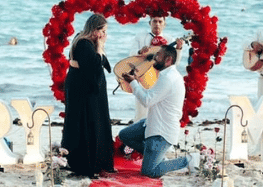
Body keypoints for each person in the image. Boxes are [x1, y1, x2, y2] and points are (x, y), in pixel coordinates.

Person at [118, 45, 198, 178]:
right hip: (151, 123)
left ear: (168, 60)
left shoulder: (168, 78)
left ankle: (188, 160)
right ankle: (157, 157)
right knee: (125, 135)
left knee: (149, 172)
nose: (155, 58)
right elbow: (152, 95)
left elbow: (147, 101)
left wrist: (133, 83)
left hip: (161, 132)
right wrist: (137, 81)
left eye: (159, 55)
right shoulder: (166, 75)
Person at [61, 14, 115, 178]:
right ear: (95, 30)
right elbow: (93, 68)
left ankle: (100, 161)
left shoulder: (87, 41)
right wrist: (100, 48)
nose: (104, 35)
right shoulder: (84, 43)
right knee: (86, 122)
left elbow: (102, 64)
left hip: (84, 86)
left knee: (94, 120)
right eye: (103, 31)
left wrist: (101, 51)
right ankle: (87, 163)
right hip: (83, 89)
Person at [129, 17, 184, 121]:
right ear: (150, 23)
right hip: (143, 77)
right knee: (141, 112)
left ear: (164, 24)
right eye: (154, 21)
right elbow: (131, 54)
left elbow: (175, 63)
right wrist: (140, 52)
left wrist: (178, 49)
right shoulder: (140, 37)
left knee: (159, 111)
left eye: (160, 22)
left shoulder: (170, 39)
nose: (157, 24)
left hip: (161, 79)